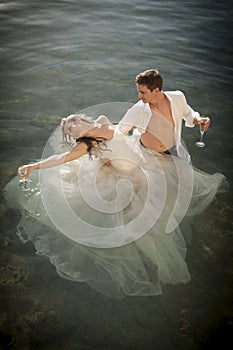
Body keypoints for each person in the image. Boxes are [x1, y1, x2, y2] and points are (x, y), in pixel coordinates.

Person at [4, 104, 228, 299]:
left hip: (140, 166)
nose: (72, 129)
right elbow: (60, 158)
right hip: (118, 174)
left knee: (160, 203)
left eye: (73, 124)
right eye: (69, 130)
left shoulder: (101, 122)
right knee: (126, 215)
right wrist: (34, 166)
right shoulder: (86, 145)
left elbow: (124, 130)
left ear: (82, 120)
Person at [118, 68, 210, 159]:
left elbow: (188, 113)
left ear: (156, 91)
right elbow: (119, 131)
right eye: (138, 91)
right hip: (147, 155)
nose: (139, 96)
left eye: (143, 92)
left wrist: (199, 120)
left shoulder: (177, 98)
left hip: (172, 152)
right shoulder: (138, 109)